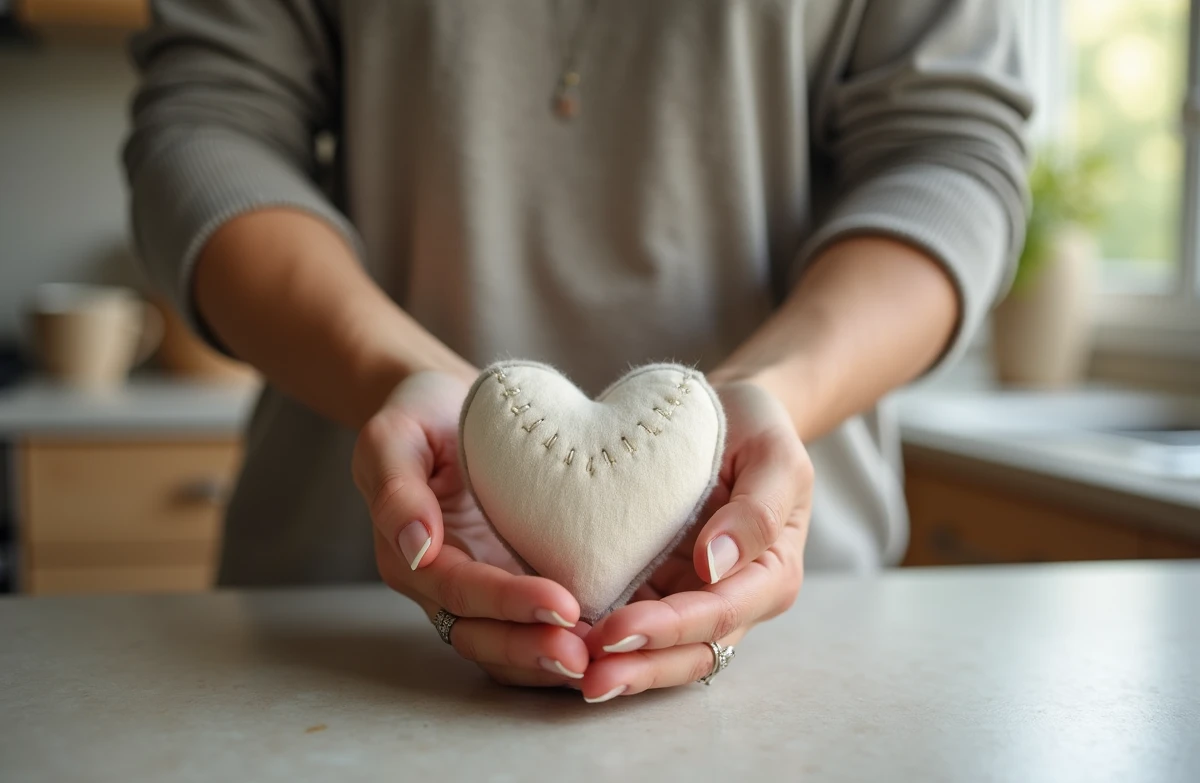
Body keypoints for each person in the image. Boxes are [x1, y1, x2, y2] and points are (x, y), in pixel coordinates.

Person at [123, 0, 1030, 702]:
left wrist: (778, 393)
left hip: (793, 628)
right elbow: (206, 127)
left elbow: (950, 153)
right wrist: (395, 378)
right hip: (341, 631)